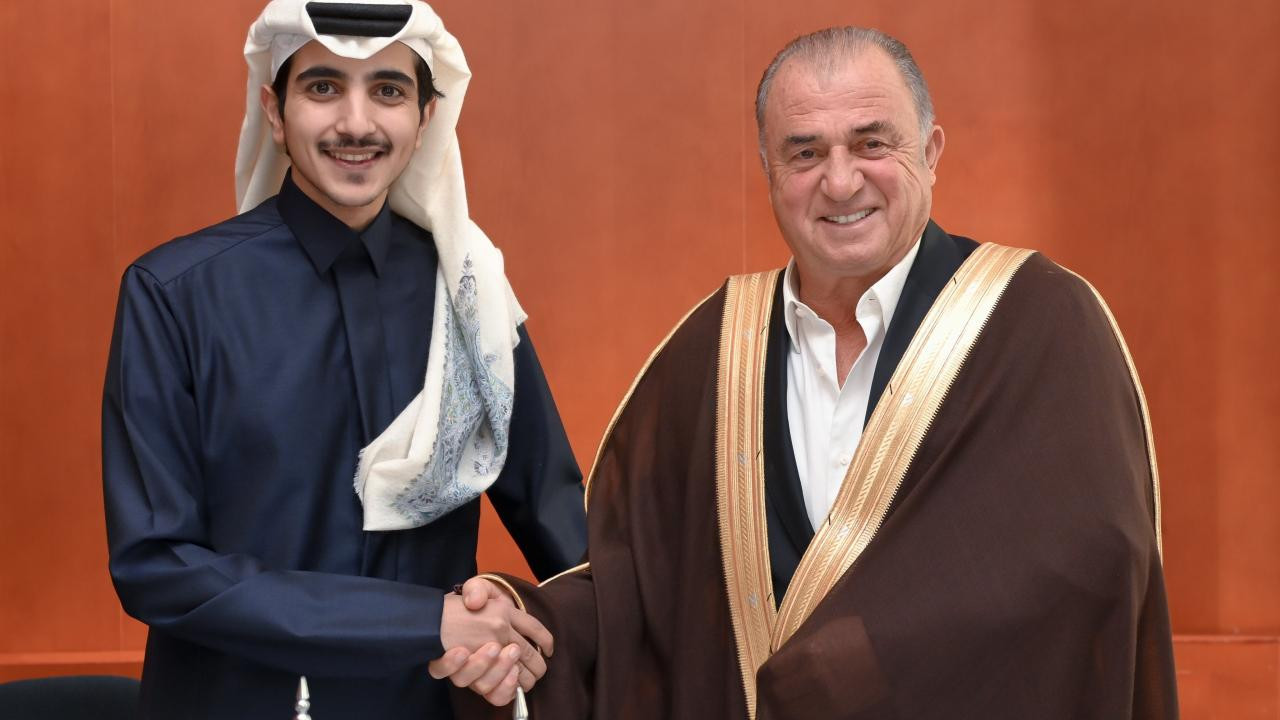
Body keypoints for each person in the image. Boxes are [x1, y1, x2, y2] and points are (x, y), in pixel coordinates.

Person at [437, 26, 1179, 719]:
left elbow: (1091, 566)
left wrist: (866, 661)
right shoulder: (711, 349)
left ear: (931, 151)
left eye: (871, 143)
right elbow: (639, 593)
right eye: (804, 153)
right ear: (768, 172)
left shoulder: (1041, 318)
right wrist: (521, 627)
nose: (841, 181)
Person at [101, 2, 585, 718]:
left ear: (425, 116)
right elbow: (157, 565)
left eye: (388, 90)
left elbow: (562, 525)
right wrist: (423, 621)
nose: (356, 124)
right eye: (323, 87)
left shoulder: (470, 295)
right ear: (275, 111)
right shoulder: (175, 295)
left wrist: (517, 620)